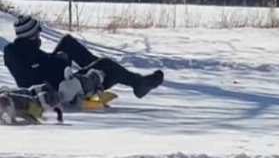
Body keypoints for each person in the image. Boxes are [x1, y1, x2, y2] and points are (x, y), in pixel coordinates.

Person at [3, 15, 164, 99]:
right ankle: (137, 84)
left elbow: (41, 63)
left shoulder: (21, 49)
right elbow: (32, 77)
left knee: (67, 42)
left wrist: (57, 59)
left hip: (57, 78)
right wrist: (59, 61)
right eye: (37, 33)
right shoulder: (19, 53)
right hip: (56, 89)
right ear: (31, 35)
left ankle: (95, 67)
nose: (39, 36)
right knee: (106, 64)